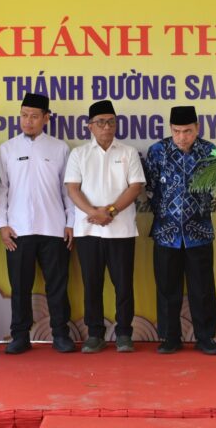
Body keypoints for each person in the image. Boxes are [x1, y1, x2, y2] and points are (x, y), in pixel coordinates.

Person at [0, 93, 76, 354]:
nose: (27, 121)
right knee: (20, 286)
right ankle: (20, 335)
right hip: (18, 230)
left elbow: (68, 190)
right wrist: (2, 224)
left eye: (33, 116)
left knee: (58, 286)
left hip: (54, 228)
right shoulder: (7, 149)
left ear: (46, 118)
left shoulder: (60, 148)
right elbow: (1, 190)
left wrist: (70, 222)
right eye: (23, 115)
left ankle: (61, 334)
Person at [65, 100, 145, 353]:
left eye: (111, 121)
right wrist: (94, 213)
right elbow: (72, 189)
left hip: (120, 230)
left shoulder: (128, 152)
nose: (106, 127)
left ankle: (123, 333)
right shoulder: (79, 153)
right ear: (90, 126)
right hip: (89, 230)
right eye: (100, 122)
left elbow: (135, 186)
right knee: (92, 284)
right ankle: (95, 334)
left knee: (123, 284)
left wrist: (110, 211)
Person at [144, 106, 216, 355]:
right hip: (167, 233)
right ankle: (169, 337)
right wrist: (166, 214)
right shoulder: (157, 152)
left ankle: (206, 337)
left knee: (203, 288)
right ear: (170, 129)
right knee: (167, 289)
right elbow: (150, 188)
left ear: (197, 128)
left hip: (199, 232)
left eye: (187, 131)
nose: (182, 137)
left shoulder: (210, 152)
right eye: (176, 131)